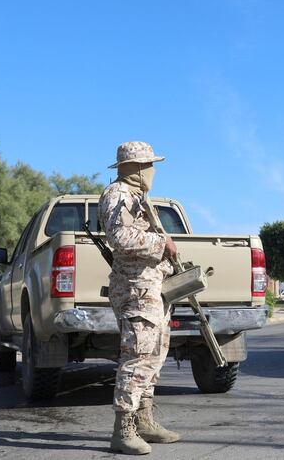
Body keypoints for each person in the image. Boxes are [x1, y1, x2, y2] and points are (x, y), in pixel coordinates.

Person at [98, 141, 181, 455]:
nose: (153, 171)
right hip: (135, 288)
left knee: (155, 354)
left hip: (151, 286)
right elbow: (120, 238)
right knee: (138, 356)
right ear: (136, 167)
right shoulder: (117, 194)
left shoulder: (137, 196)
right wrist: (162, 243)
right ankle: (123, 429)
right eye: (150, 165)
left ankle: (144, 420)